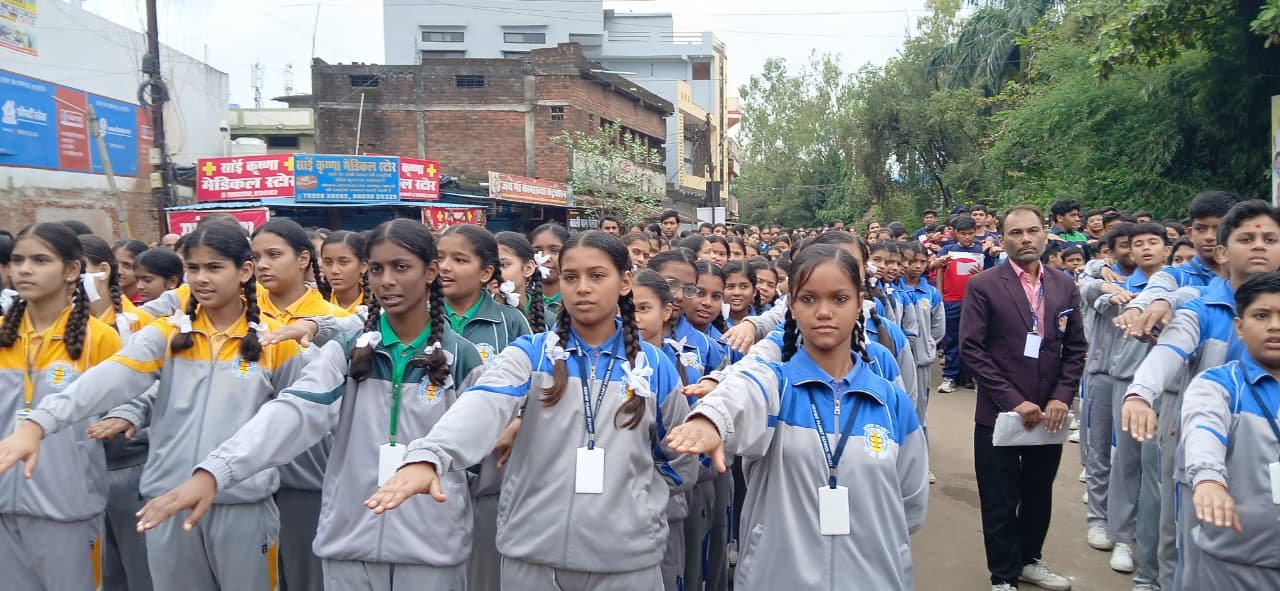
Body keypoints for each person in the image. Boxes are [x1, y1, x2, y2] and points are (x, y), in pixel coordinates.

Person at [134, 218, 486, 590]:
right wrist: (215, 471)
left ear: (430, 271)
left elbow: (474, 451)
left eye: (401, 267)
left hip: (432, 548)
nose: (387, 281)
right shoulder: (347, 352)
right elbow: (293, 412)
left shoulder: (459, 357)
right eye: (377, 268)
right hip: (350, 542)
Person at [365, 231, 698, 590]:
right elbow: (483, 402)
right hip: (532, 557)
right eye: (571, 277)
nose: (582, 287)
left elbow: (677, 456)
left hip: (626, 562)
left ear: (625, 282)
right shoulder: (531, 354)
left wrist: (636, 499)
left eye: (597, 276)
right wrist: (431, 455)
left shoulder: (654, 366)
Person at [0, 221, 308, 590]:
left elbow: (296, 419)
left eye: (214, 267)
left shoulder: (275, 341)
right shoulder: (166, 335)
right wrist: (39, 424)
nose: (201, 278)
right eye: (193, 268)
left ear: (244, 272)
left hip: (241, 504)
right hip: (166, 501)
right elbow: (111, 376)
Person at [666, 244, 928, 590]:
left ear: (859, 302)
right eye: (808, 299)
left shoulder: (890, 401)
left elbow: (910, 504)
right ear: (791, 306)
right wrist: (710, 419)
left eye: (839, 299)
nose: (823, 312)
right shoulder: (776, 384)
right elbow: (743, 387)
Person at [960, 205, 1087, 591]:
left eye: (1033, 231)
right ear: (1002, 239)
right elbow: (972, 349)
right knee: (999, 494)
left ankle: (1030, 558)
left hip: (1049, 413)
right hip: (1000, 413)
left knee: (1037, 491)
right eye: (1015, 233)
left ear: (1046, 235)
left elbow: (1076, 348)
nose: (1026, 239)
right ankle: (1003, 575)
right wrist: (1014, 400)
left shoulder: (1064, 285)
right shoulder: (984, 285)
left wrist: (1062, 397)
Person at [0, 223, 123, 590]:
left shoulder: (100, 338)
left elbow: (125, 407)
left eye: (40, 260)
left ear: (71, 270)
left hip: (69, 508)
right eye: (18, 260)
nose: (24, 269)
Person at [1176, 271, 1280, 588]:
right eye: (1261, 315)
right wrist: (1208, 479)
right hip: (1230, 562)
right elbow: (1203, 429)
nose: (1275, 325)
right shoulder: (1219, 385)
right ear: (1239, 327)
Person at [933, 214, 986, 393]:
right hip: (951, 299)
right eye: (963, 233)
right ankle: (950, 376)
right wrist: (940, 293)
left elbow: (989, 275)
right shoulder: (946, 250)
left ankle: (971, 376)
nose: (967, 237)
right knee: (951, 338)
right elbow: (938, 269)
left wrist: (981, 273)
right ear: (956, 233)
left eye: (970, 233)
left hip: (974, 300)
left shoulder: (981, 251)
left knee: (973, 338)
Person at [530, 223, 569, 329]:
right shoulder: (522, 299)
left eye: (555, 251)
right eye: (537, 251)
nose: (546, 257)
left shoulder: (575, 299)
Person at [320, 230, 369, 314]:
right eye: (328, 262)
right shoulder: (315, 305)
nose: (334, 270)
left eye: (343, 262)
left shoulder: (379, 307)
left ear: (363, 266)